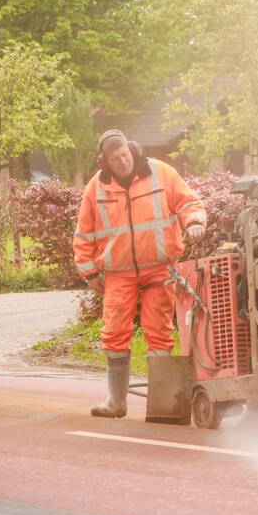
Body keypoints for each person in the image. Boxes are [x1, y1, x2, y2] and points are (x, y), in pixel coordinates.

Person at [73, 129, 207, 418]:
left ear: (132, 150)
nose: (122, 161)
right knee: (113, 333)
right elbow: (83, 234)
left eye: (124, 155)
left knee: (159, 332)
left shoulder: (161, 173)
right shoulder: (95, 189)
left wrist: (194, 221)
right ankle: (116, 402)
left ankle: (163, 405)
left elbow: (188, 203)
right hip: (118, 274)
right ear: (104, 162)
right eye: (114, 158)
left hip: (159, 268)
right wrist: (90, 273)